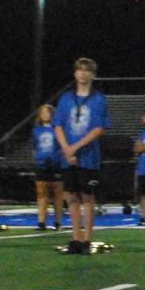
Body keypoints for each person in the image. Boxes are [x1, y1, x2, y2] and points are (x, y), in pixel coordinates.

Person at [54, 58, 110, 255]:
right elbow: (58, 125)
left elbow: (98, 129)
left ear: (93, 75)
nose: (83, 74)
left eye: (87, 71)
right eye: (80, 70)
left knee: (87, 197)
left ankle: (87, 240)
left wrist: (74, 148)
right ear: (75, 73)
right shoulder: (66, 99)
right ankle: (75, 239)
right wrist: (66, 149)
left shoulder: (99, 99)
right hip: (68, 156)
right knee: (72, 198)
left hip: (88, 156)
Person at [31, 103, 66, 231]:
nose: (45, 115)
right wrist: (38, 159)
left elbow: (63, 146)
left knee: (57, 194)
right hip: (42, 166)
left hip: (56, 165)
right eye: (42, 112)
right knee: (41, 193)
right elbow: (34, 148)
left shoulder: (58, 129)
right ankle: (41, 222)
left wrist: (59, 158)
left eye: (47, 112)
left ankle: (58, 222)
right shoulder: (36, 131)